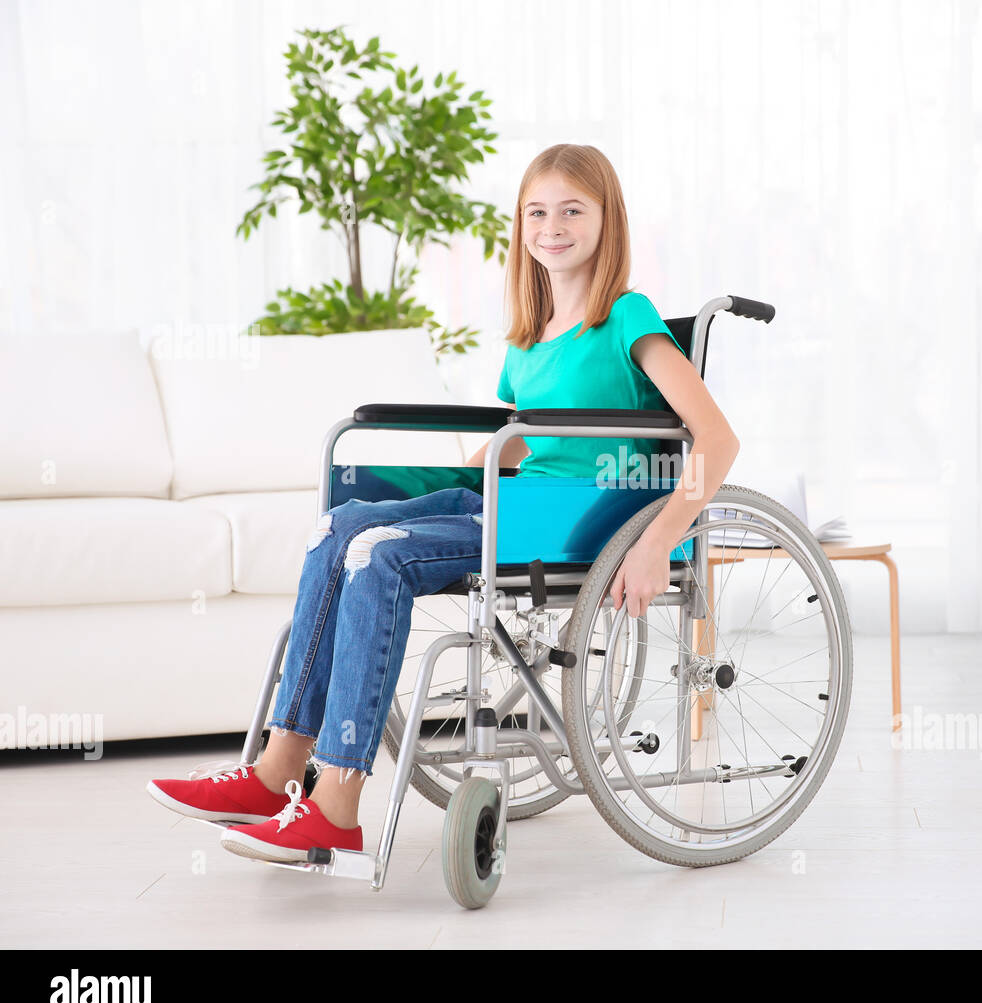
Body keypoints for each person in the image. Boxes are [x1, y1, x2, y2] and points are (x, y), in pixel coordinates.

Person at [146, 142, 742, 863]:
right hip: (511, 508)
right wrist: (437, 497)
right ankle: (275, 774)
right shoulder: (531, 336)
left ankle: (334, 808)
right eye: (537, 212)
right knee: (337, 527)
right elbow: (518, 443)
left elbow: (715, 435)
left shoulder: (628, 317)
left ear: (606, 219)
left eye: (572, 211)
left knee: (380, 556)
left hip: (577, 525)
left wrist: (654, 543)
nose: (552, 226)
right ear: (520, 225)